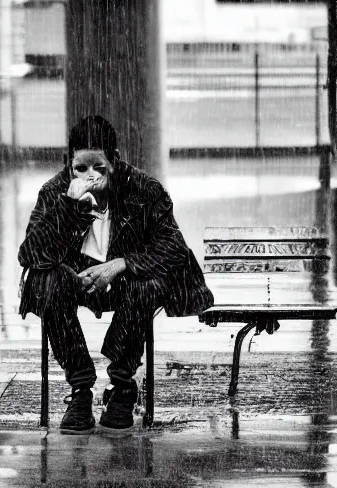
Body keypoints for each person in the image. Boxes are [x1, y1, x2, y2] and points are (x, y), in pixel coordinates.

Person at [18, 115, 214, 434]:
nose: (90, 176)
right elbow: (29, 254)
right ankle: (81, 392)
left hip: (125, 281)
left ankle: (122, 386)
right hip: (76, 279)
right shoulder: (56, 191)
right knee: (46, 281)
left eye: (99, 167)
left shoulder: (144, 189)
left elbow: (175, 248)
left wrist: (121, 264)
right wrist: (68, 210)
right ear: (70, 165)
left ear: (115, 161)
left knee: (146, 284)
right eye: (81, 167)